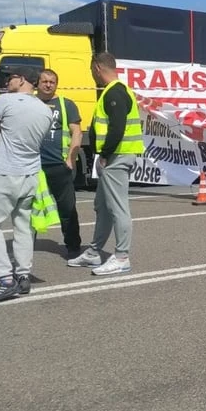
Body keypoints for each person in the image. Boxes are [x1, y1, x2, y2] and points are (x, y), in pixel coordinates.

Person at [0, 65, 54, 306]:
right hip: (30, 176)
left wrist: (2, 131)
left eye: (11, 77)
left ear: (22, 79)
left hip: (4, 173)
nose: (7, 81)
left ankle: (4, 280)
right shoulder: (45, 110)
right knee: (23, 227)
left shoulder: (5, 101)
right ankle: (23, 275)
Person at [68, 52, 145, 276]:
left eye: (91, 70)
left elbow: (117, 127)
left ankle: (122, 257)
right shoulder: (116, 91)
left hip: (116, 157)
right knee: (102, 206)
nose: (92, 74)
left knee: (118, 208)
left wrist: (105, 154)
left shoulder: (115, 92)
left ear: (97, 68)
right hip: (114, 157)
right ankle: (94, 252)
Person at [36, 69, 84, 258]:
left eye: (52, 82)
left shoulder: (66, 104)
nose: (48, 85)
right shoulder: (30, 103)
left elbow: (77, 132)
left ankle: (73, 247)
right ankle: (25, 247)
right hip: (34, 166)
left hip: (59, 165)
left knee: (67, 208)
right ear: (37, 83)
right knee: (30, 208)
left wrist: (70, 159)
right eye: (45, 81)